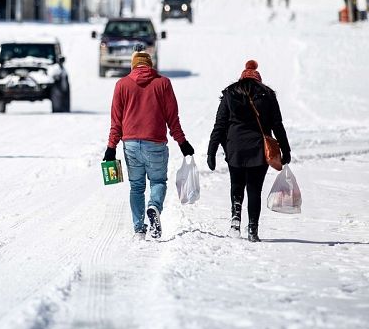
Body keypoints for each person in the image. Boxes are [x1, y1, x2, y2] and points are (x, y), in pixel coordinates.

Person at [104, 50, 194, 240]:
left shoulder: (122, 85)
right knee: (158, 182)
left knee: (136, 187)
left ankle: (139, 229)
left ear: (133, 65)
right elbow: (173, 118)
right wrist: (182, 142)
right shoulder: (163, 83)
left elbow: (116, 121)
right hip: (155, 143)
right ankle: (154, 206)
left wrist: (111, 147)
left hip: (130, 145)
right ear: (150, 65)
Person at [206, 60, 291, 242]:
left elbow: (220, 125)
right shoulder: (268, 95)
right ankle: (253, 229)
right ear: (258, 79)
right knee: (254, 189)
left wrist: (211, 151)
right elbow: (277, 125)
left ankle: (235, 221)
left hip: (234, 148)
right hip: (259, 150)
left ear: (242, 78)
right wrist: (285, 149)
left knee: (236, 185)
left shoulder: (229, 93)